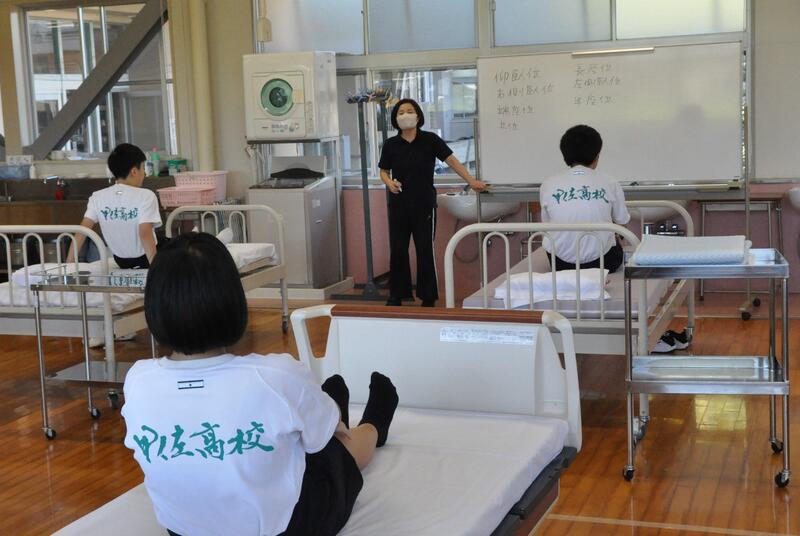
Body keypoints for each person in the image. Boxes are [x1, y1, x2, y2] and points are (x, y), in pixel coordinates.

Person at [121, 233, 399, 536]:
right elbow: (331, 441)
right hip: (288, 528)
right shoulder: (273, 375)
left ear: (155, 307)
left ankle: (329, 409)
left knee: (297, 435)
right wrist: (339, 429)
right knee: (336, 450)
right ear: (233, 300)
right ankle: (375, 424)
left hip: (183, 531)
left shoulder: (138, 380)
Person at [378, 98, 488, 307]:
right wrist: (389, 182)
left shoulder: (430, 140)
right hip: (398, 204)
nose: (405, 115)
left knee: (424, 248)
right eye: (400, 112)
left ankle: (428, 296)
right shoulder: (391, 144)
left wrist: (471, 181)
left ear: (418, 115)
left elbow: (452, 160)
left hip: (424, 204)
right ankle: (397, 294)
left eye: (409, 111)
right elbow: (383, 171)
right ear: (395, 118)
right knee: (398, 249)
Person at [539, 125, 630, 273]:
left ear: (565, 155)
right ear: (597, 156)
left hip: (559, 264)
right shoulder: (610, 182)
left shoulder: (548, 184)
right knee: (615, 236)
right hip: (604, 262)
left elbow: (547, 224)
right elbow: (622, 222)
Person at [67, 143, 161, 269]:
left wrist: (69, 263)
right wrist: (155, 268)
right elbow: (145, 233)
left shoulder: (97, 197)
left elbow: (82, 230)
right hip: (145, 258)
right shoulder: (146, 196)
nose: (144, 173)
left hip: (121, 260)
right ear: (134, 171)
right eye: (143, 168)